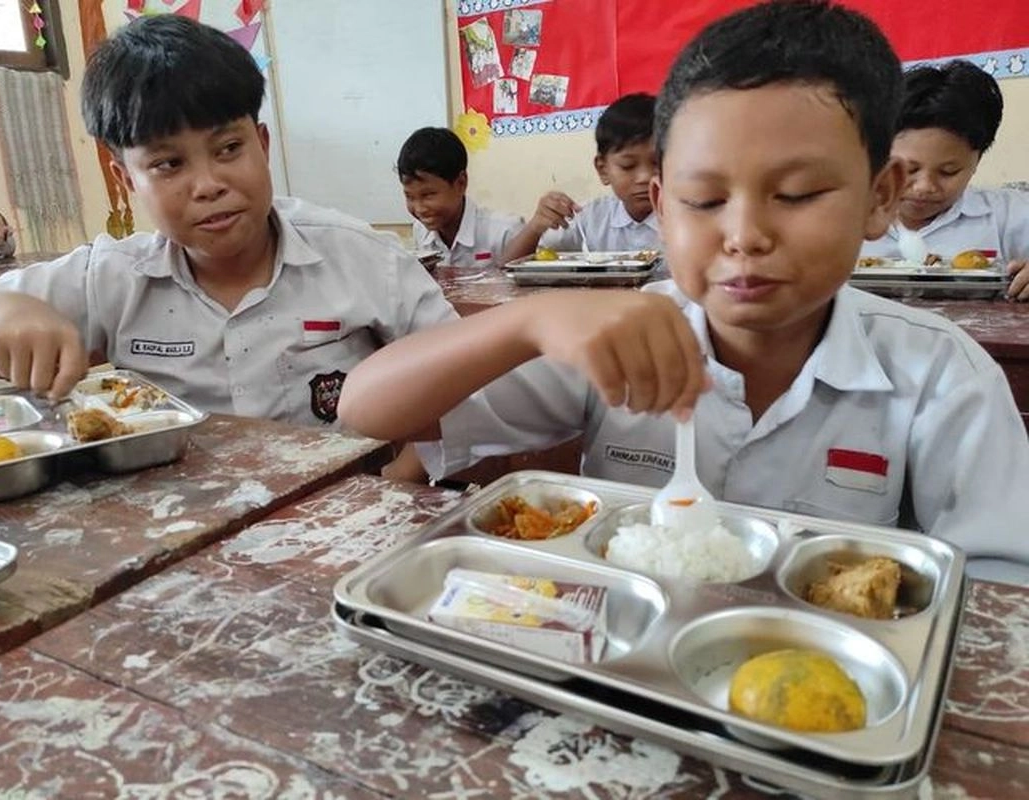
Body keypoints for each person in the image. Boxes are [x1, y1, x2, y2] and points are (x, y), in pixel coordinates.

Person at [339, 1, 1029, 583]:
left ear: (880, 198)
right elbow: (367, 412)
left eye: (796, 194)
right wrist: (532, 320)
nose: (746, 234)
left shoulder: (942, 376)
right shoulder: (623, 337)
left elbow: (1003, 600)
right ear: (664, 206)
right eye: (704, 199)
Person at [0, 15, 457, 438]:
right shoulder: (112, 276)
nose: (207, 184)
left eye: (228, 148)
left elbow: (461, 384)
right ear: (125, 176)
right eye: (168, 164)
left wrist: (399, 471)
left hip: (346, 524)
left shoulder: (361, 257)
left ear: (262, 145)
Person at [858, 61, 1029, 300]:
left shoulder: (1005, 216)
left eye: (948, 172)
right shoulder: (846, 217)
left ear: (976, 162)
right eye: (909, 169)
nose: (924, 187)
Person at [502, 93, 661, 261]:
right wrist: (535, 227)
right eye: (627, 166)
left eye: (657, 163)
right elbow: (508, 266)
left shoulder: (687, 218)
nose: (644, 177)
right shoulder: (589, 219)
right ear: (603, 170)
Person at [398, 127, 523, 267]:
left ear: (461, 183)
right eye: (409, 197)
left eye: (428, 195)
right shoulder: (421, 231)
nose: (419, 208)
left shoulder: (506, 232)